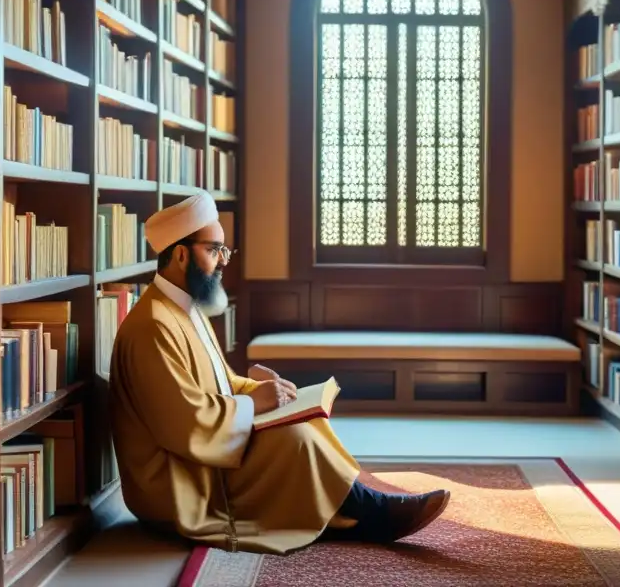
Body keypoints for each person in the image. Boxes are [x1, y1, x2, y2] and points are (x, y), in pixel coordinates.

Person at [108, 192, 450, 555]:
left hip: (206, 450)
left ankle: (358, 509)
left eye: (225, 252)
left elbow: (220, 385)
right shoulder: (153, 326)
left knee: (302, 421)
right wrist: (253, 403)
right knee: (294, 439)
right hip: (179, 480)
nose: (223, 263)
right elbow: (185, 423)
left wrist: (264, 389)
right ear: (180, 254)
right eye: (215, 251)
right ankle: (371, 513)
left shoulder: (185, 310)